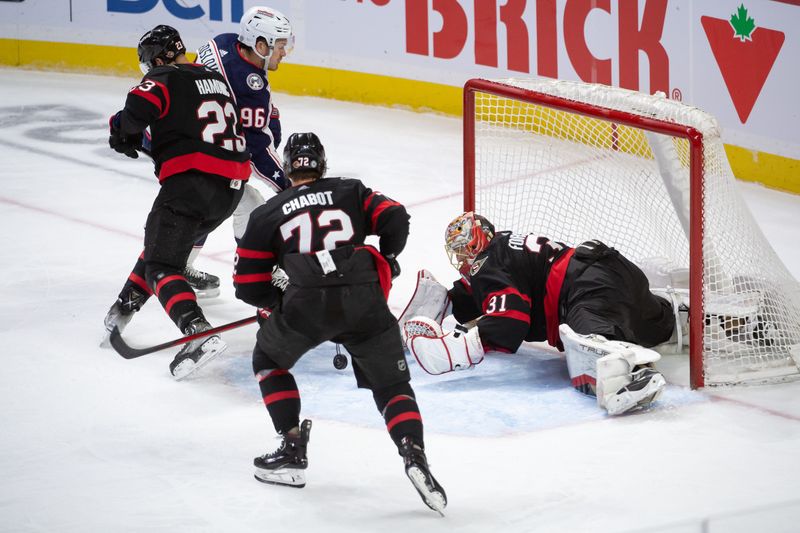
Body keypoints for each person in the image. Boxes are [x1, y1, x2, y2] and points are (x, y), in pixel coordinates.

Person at [233, 132, 447, 515]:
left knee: (268, 360)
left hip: (306, 303)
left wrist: (279, 301)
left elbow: (247, 285)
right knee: (391, 384)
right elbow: (395, 216)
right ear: (322, 164)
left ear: (286, 168)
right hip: (364, 297)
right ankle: (414, 454)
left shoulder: (267, 213)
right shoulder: (351, 191)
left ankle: (292, 448)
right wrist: (390, 257)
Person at [401, 212, 682, 416]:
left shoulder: (486, 263)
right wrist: (445, 302)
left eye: (464, 249)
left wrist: (457, 348)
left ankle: (630, 377)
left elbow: (510, 322)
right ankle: (682, 313)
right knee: (656, 325)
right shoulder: (502, 247)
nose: (462, 259)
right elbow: (482, 295)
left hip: (588, 290)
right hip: (617, 271)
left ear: (477, 242)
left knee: (588, 344)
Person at [102, 25, 250, 380]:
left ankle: (197, 331)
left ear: (158, 57)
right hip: (230, 189)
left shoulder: (165, 76)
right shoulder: (213, 78)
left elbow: (139, 106)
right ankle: (125, 305)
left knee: (163, 266)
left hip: (192, 185)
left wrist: (121, 128)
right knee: (163, 248)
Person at [187, 6, 293, 291]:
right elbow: (257, 151)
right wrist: (289, 185)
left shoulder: (223, 41)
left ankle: (179, 265)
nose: (285, 52)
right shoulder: (250, 86)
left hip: (188, 140)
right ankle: (257, 275)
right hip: (204, 156)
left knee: (205, 212)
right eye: (280, 45)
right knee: (250, 208)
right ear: (260, 45)